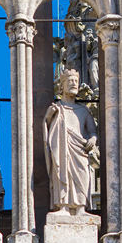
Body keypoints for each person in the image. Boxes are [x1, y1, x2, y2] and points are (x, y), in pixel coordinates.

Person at [44, 68, 98, 216]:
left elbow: (93, 131)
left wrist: (92, 139)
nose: (74, 84)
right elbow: (48, 131)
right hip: (62, 149)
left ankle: (81, 208)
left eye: (76, 81)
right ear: (62, 86)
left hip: (80, 150)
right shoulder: (57, 109)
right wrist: (48, 117)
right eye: (70, 81)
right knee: (62, 173)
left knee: (82, 176)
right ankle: (63, 207)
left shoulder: (84, 110)